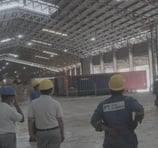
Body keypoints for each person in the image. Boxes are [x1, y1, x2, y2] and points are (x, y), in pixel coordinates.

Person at [91, 74, 144, 148]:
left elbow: (94, 121)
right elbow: (140, 110)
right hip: (128, 142)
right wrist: (135, 122)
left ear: (110, 89)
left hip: (111, 143)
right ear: (123, 88)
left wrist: (109, 130)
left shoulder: (102, 105)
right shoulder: (129, 101)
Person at [28, 79, 65, 148]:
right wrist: (62, 134)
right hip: (54, 132)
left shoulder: (33, 103)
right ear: (51, 90)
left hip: (41, 133)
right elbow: (60, 121)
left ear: (40, 90)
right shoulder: (56, 103)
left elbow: (30, 120)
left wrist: (31, 134)